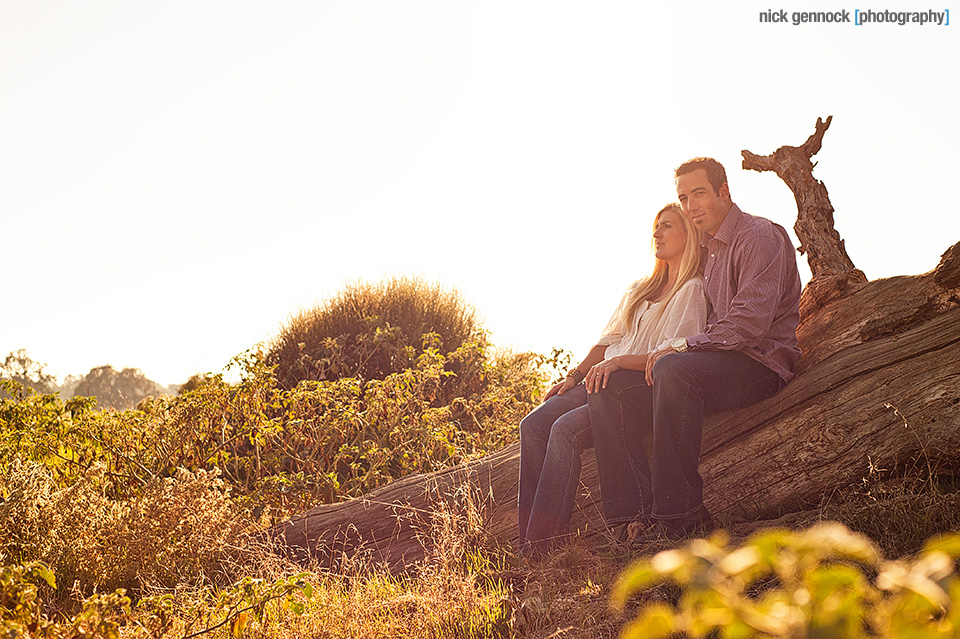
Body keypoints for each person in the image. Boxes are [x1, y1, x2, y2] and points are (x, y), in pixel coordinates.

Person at [588, 157, 802, 540]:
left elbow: (749, 325)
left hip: (760, 364)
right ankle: (632, 520)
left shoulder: (758, 236)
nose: (691, 207)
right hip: (718, 362)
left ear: (724, 192)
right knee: (612, 385)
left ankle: (681, 517)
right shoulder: (709, 249)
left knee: (674, 368)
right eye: (684, 198)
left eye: (699, 194)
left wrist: (680, 346)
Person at [518, 203, 707, 556]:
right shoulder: (639, 288)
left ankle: (540, 550)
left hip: (631, 392)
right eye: (655, 227)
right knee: (533, 424)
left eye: (667, 226)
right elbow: (606, 342)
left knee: (563, 431)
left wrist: (619, 363)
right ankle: (524, 538)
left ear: (689, 235)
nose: (657, 233)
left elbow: (675, 355)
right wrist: (574, 375)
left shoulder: (692, 291)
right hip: (598, 379)